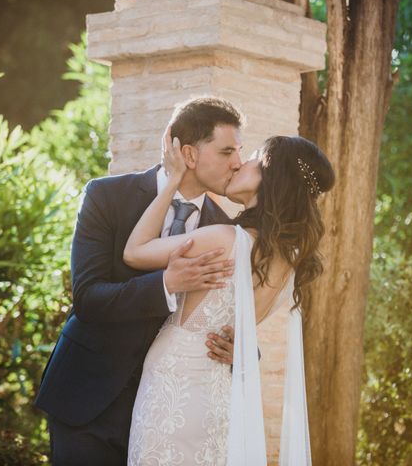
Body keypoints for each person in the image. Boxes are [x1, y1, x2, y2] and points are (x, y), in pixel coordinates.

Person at [35, 97, 247, 465]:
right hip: (88, 400)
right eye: (227, 150)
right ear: (189, 154)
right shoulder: (106, 195)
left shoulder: (227, 231)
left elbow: (228, 318)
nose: (238, 162)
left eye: (239, 151)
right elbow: (88, 298)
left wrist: (239, 350)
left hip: (165, 413)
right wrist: (166, 284)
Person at [124, 130, 335, 465]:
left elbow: (135, 252)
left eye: (252, 158)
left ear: (271, 177)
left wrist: (173, 179)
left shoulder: (223, 239)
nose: (239, 164)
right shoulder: (288, 265)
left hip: (172, 388)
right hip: (221, 400)